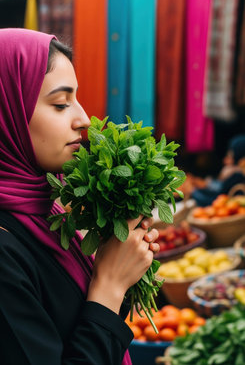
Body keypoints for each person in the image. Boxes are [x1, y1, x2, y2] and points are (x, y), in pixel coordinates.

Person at [0, 28, 160, 365]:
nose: (84, 119)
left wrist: (119, 261)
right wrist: (109, 286)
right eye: (60, 104)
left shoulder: (48, 207)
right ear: (7, 112)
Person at [184, 134, 245, 206]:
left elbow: (214, 202)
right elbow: (220, 190)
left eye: (230, 156)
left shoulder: (238, 176)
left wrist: (193, 191)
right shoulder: (235, 174)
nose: (225, 160)